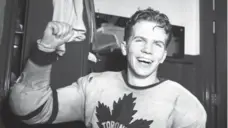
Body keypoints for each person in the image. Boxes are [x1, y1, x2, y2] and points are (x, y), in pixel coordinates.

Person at [8, 8, 207, 128]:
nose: (147, 50)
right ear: (124, 47)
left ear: (163, 55)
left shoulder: (185, 105)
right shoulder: (94, 86)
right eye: (140, 40)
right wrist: (45, 49)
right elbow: (29, 111)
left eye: (157, 44)